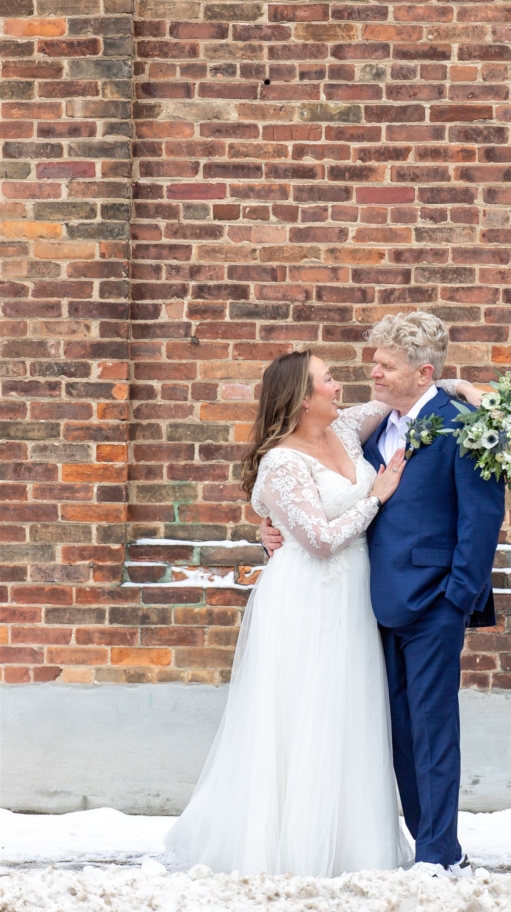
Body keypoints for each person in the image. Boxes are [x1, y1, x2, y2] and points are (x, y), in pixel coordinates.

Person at [165, 342, 482, 877]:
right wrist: (376, 498)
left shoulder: (345, 429)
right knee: (305, 714)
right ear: (301, 399)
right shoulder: (282, 460)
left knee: (351, 715)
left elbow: (409, 394)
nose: (342, 386)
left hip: (356, 598)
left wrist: (462, 389)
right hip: (307, 598)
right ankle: (294, 846)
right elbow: (317, 538)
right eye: (328, 380)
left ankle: (350, 841)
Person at [262, 312, 505, 878]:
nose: (371, 371)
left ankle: (438, 855)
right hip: (371, 602)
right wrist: (268, 527)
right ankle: (434, 844)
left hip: (434, 603)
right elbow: (308, 487)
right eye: (373, 361)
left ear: (421, 373)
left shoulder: (463, 425)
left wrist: (458, 599)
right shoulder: (369, 428)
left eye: (385, 365)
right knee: (397, 730)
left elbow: (482, 517)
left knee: (433, 728)